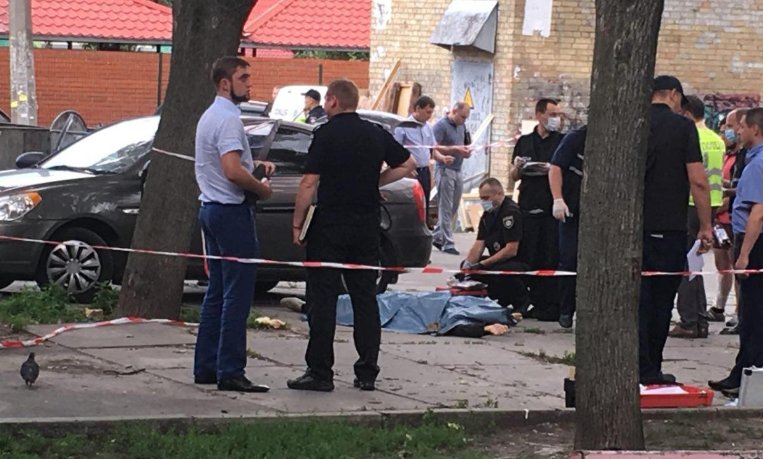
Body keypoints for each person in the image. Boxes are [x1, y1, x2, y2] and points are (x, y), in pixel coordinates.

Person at [289, 79, 416, 392]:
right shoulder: (375, 132)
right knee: (364, 298)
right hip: (366, 226)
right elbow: (408, 163)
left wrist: (297, 223)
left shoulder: (325, 134)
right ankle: (367, 371)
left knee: (323, 299)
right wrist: (375, 182)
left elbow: (308, 182)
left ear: (333, 100)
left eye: (327, 100)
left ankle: (320, 372)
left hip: (329, 225)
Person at [193, 56, 275, 393]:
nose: (249, 83)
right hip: (230, 212)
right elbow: (231, 169)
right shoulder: (228, 119)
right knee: (237, 295)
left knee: (216, 291)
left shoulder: (209, 116)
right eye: (243, 78)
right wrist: (261, 188)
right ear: (225, 83)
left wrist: (254, 167)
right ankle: (230, 370)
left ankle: (206, 366)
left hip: (210, 208)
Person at [639, 76, 713, 385]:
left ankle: (631, 364)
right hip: (667, 227)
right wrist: (706, 226)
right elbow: (698, 180)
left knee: (636, 300)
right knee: (660, 301)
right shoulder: (683, 128)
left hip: (632, 228)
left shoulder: (633, 123)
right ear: (672, 94)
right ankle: (649, 368)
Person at [709, 107, 763, 397]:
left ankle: (748, 375)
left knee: (753, 315)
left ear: (755, 128)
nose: (736, 132)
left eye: (740, 127)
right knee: (752, 315)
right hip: (751, 240)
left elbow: (758, 212)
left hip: (753, 243)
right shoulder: (753, 160)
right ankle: (743, 372)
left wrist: (744, 256)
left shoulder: (758, 163)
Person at [670, 96, 725, 339]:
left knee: (686, 264)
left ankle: (689, 320)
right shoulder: (716, 139)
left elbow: (693, 176)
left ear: (687, 113)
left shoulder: (690, 136)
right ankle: (700, 319)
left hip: (692, 203)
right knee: (697, 263)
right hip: (712, 203)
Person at [510, 98, 564, 321]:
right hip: (528, 205)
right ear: (539, 115)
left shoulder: (561, 141)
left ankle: (549, 305)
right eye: (552, 114)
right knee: (528, 254)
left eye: (558, 114)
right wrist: (519, 167)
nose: (556, 119)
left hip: (551, 207)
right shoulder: (525, 142)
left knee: (549, 255)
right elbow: (514, 176)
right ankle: (527, 301)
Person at [460, 178, 532, 312]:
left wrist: (483, 264)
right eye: (481, 198)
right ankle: (499, 297)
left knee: (496, 270)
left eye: (486, 198)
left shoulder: (510, 213)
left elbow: (511, 250)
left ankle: (521, 300)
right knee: (471, 270)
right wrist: (468, 265)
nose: (483, 202)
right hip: (498, 260)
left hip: (518, 261)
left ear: (499, 194)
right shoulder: (488, 215)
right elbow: (479, 243)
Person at [709, 108, 748, 330]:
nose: (727, 132)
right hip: (719, 220)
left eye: (731, 127)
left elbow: (738, 190)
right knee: (722, 265)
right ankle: (719, 306)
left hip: (731, 218)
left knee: (737, 267)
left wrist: (718, 206)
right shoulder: (727, 155)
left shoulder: (745, 158)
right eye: (725, 128)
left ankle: (739, 312)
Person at [548, 125, 587, 329]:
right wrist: (558, 199)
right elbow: (555, 168)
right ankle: (566, 310)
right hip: (571, 211)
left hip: (596, 214)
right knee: (569, 260)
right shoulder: (576, 138)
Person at [393, 96, 455, 221]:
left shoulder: (428, 128)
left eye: (431, 113)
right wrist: (404, 168)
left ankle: (423, 225)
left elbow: (431, 150)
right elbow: (395, 150)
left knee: (424, 201)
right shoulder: (403, 127)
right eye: (427, 112)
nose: (429, 116)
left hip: (424, 172)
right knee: (411, 203)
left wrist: (442, 158)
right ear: (417, 109)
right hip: (410, 172)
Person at [432, 102, 472, 255]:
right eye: (462, 117)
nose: (464, 120)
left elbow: (462, 144)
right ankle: (447, 242)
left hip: (457, 169)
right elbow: (433, 148)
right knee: (446, 206)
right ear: (454, 112)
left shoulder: (461, 126)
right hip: (445, 169)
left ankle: (437, 235)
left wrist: (465, 151)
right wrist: (447, 154)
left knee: (454, 206)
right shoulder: (441, 126)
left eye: (466, 117)